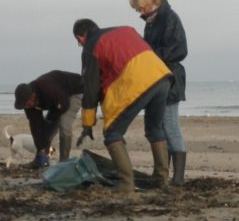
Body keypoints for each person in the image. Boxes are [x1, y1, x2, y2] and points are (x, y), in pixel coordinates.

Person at [73, 18, 173, 193]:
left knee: (112, 134)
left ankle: (126, 184)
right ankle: (161, 180)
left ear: (80, 38)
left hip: (136, 83)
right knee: (155, 129)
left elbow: (90, 88)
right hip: (161, 77)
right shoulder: (126, 29)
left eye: (78, 42)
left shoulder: (91, 47)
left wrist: (88, 124)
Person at [129, 0, 189, 185]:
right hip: (156, 78)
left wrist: (152, 59)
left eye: (142, 8)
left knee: (171, 127)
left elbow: (179, 49)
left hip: (170, 78)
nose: (141, 12)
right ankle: (164, 173)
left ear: (153, 1)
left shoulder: (170, 18)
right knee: (161, 128)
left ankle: (178, 178)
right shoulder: (152, 22)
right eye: (138, 10)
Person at [14, 70, 84, 167]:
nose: (27, 106)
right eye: (24, 105)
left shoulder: (47, 88)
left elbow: (64, 105)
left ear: (33, 95)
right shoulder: (28, 105)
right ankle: (41, 160)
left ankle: (63, 163)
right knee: (45, 131)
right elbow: (35, 126)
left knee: (64, 124)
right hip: (57, 99)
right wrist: (40, 147)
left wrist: (50, 120)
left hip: (75, 90)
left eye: (27, 103)